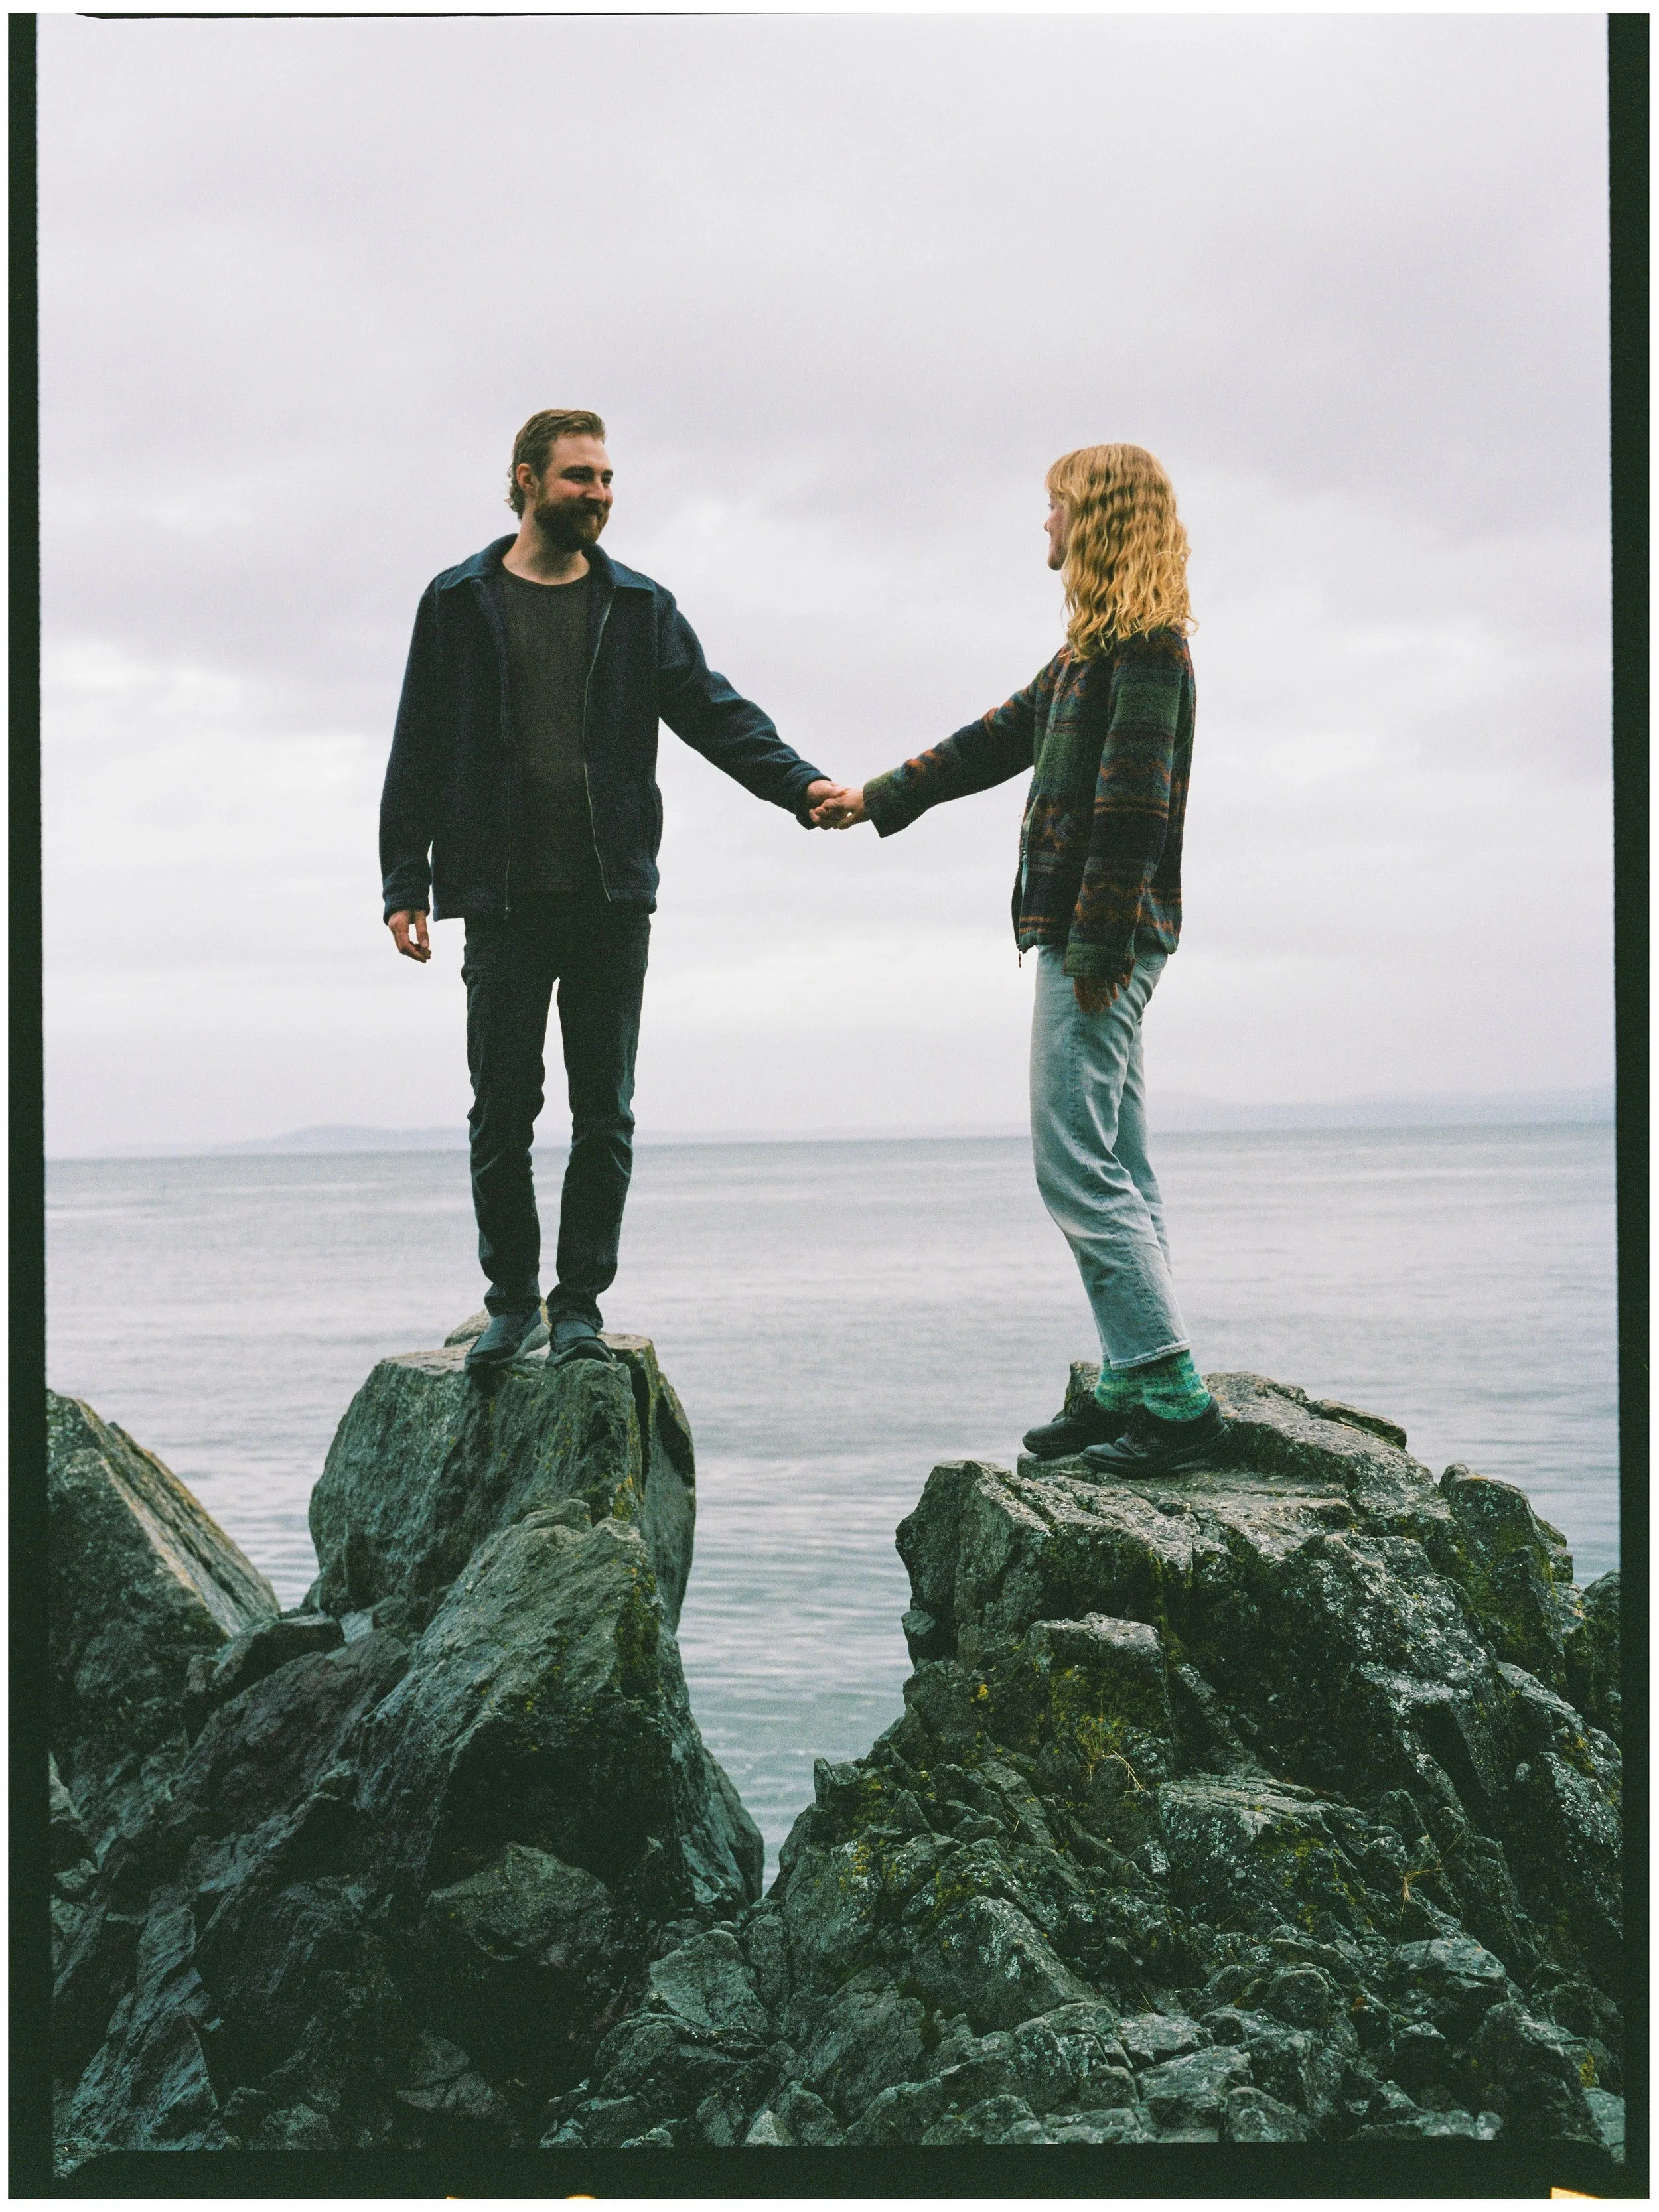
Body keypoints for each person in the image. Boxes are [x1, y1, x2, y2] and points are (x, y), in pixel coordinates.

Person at [380, 408, 836, 1373]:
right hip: (502, 902)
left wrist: (800, 785)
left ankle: (577, 1303)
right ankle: (511, 1303)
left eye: (607, 477)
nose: (600, 494)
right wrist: (402, 880)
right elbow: (416, 739)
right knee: (503, 1106)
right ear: (526, 479)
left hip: (609, 900)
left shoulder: (639, 607)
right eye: (581, 476)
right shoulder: (457, 600)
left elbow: (716, 714)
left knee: (606, 1113)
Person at [812, 443, 1224, 1479]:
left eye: (1053, 509)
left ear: (1094, 519)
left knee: (1070, 1161)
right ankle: (1134, 1374)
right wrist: (875, 796)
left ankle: (1171, 1391)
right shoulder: (1091, 654)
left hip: (1100, 938)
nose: (1042, 526)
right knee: (1116, 1159)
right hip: (1097, 935)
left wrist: (1092, 949)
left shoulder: (1149, 653)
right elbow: (991, 740)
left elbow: (1133, 815)